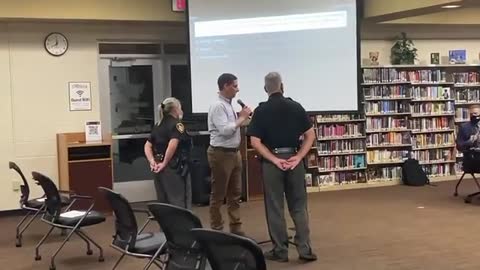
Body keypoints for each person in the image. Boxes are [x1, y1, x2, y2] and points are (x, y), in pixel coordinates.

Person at [246, 72, 317, 262]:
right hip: (295, 160)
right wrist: (299, 156)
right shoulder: (296, 106)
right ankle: (305, 249)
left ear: (265, 89)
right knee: (299, 206)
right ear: (282, 86)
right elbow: (310, 135)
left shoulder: (261, 111)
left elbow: (255, 141)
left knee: (275, 207)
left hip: (272, 163)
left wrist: (274, 159)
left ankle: (280, 250)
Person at [207, 73, 252, 236]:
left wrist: (246, 119)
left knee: (235, 192)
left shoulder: (228, 105)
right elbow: (225, 131)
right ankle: (217, 228)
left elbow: (235, 125)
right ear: (225, 86)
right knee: (218, 193)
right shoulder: (218, 106)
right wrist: (241, 117)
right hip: (221, 153)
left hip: (234, 153)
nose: (237, 89)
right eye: (234, 86)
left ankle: (235, 226)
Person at [144, 97, 192, 209]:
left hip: (158, 165)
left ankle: (166, 226)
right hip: (173, 166)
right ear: (175, 109)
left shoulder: (158, 125)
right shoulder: (178, 125)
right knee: (178, 200)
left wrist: (152, 161)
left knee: (163, 200)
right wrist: (165, 162)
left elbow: (147, 145)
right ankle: (181, 226)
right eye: (180, 108)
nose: (181, 111)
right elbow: (173, 144)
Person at [456, 104, 480, 171]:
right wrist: (469, 142)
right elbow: (459, 146)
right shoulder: (464, 127)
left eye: (475, 113)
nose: (473, 116)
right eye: (471, 114)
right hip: (472, 158)